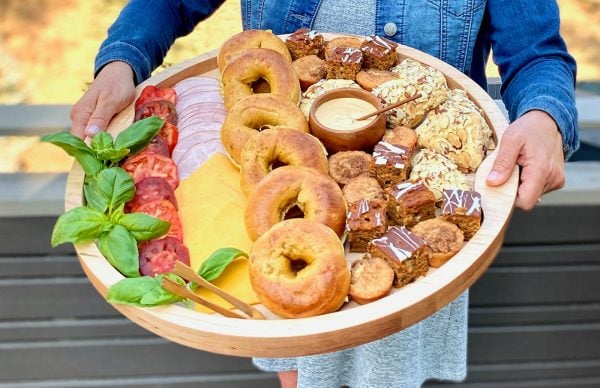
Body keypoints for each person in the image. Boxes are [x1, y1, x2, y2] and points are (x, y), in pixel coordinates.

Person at [70, 1, 578, 387]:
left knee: (394, 368)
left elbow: (535, 55)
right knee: (301, 364)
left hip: (410, 214)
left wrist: (544, 115)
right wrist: (123, 61)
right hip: (285, 209)